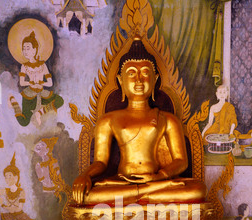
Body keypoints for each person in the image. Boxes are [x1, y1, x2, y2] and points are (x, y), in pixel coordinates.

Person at [72, 38, 206, 206]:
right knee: (88, 195)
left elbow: (181, 161)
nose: (139, 80)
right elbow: (101, 162)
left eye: (145, 72)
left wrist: (159, 177)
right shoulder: (108, 120)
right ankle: (143, 196)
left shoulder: (167, 119)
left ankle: (136, 197)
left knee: (197, 189)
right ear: (121, 81)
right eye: (131, 73)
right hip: (122, 182)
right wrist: (85, 175)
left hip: (156, 181)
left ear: (155, 79)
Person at [8, 31, 64, 127]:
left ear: (34, 50)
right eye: (23, 49)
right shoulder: (24, 66)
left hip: (42, 93)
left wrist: (41, 84)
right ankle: (14, 103)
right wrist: (31, 83)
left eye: (28, 48)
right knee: (24, 122)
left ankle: (40, 113)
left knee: (59, 101)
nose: (25, 51)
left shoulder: (42, 65)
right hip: (29, 94)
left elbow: (50, 83)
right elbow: (22, 81)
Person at [0, 155, 33, 220]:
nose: (7, 179)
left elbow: (17, 209)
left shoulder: (21, 191)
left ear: (16, 177)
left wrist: (2, 204)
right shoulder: (6, 190)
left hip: (20, 217)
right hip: (8, 217)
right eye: (6, 177)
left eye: (10, 176)